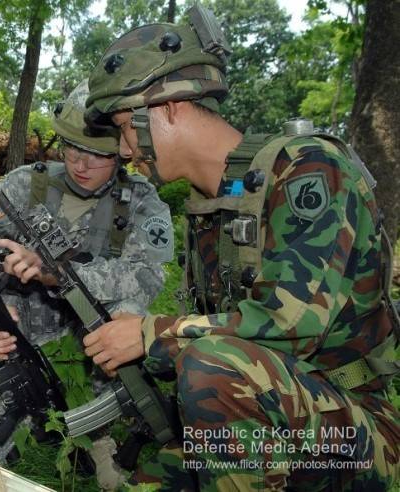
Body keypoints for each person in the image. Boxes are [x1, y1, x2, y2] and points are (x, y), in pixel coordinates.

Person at [80, 6, 399, 490]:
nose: (124, 149)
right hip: (279, 414)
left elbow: (291, 325)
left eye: (125, 127)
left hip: (358, 431)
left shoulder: (308, 170)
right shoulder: (218, 205)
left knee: (212, 364)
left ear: (167, 107)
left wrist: (151, 334)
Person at [0, 79, 174, 485]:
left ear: (123, 152)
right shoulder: (22, 187)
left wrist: (56, 272)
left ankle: (99, 432)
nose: (80, 164)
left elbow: (147, 279)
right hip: (26, 341)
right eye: (72, 149)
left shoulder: (142, 203)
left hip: (98, 347)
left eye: (97, 155)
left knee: (130, 312)